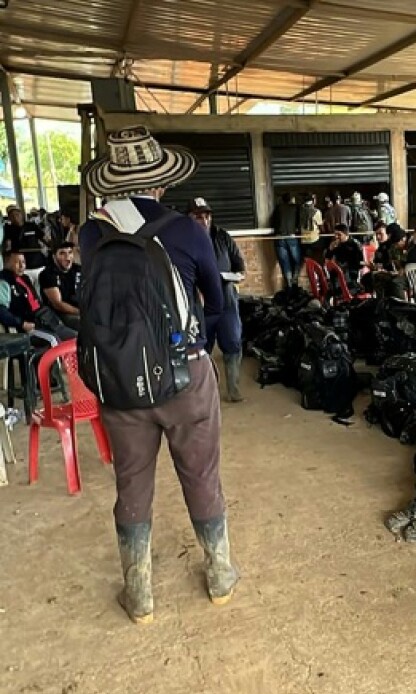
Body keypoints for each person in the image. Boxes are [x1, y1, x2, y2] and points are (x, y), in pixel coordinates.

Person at [77, 126, 237, 624]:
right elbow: (215, 295)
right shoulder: (189, 230)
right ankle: (219, 575)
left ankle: (140, 593)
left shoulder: (90, 232)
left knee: (132, 483)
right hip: (184, 373)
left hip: (120, 382)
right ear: (161, 182)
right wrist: (208, 347)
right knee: (201, 474)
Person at [189, 198, 246, 402]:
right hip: (200, 302)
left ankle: (233, 389)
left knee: (232, 341)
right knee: (201, 347)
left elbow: (240, 268)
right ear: (189, 218)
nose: (204, 221)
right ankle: (205, 392)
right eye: (198, 217)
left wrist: (229, 276)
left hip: (227, 298)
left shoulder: (222, 237)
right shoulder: (185, 240)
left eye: (207, 216)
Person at [1, 248, 76, 346]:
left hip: (46, 317)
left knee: (76, 337)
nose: (21, 265)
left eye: (23, 262)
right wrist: (22, 323)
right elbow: (2, 312)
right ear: (6, 263)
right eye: (17, 262)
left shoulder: (25, 278)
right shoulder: (4, 282)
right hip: (31, 325)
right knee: (54, 341)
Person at [38, 242, 84, 329]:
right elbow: (58, 304)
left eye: (70, 252)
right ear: (54, 256)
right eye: (62, 253)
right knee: (85, 324)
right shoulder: (48, 274)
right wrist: (81, 312)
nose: (67, 257)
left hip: (81, 309)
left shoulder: (78, 269)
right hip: (61, 314)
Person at [270, 192, 302, 291]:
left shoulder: (278, 208)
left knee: (285, 262)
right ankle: (295, 281)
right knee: (297, 260)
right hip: (291, 236)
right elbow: (299, 223)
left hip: (279, 237)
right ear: (291, 199)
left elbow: (273, 222)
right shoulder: (295, 208)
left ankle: (289, 285)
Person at [3, 204, 48, 272]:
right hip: (22, 267)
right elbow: (7, 245)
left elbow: (44, 238)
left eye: (17, 214)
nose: (15, 217)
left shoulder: (32, 226)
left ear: (21, 214)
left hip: (39, 263)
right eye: (12, 216)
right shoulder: (8, 230)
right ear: (9, 218)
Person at [324, 224, 365, 292]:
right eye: (335, 235)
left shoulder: (355, 244)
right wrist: (330, 250)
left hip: (351, 272)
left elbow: (360, 263)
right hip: (338, 271)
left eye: (339, 235)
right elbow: (327, 259)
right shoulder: (335, 244)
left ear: (346, 234)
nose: (336, 237)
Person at [298, 194, 323, 261]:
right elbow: (320, 225)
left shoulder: (299, 211)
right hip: (314, 239)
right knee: (316, 259)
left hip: (303, 240)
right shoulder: (317, 212)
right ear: (313, 201)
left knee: (306, 261)